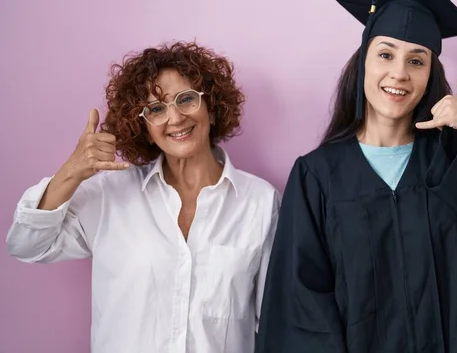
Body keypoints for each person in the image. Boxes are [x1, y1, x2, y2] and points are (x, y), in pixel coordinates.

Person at [255, 0, 457, 353]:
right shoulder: (317, 177)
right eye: (386, 54)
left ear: (430, 74)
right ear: (363, 62)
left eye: (417, 60)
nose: (399, 72)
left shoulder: (453, 162)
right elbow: (299, 311)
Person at [6, 41, 280, 353]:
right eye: (157, 108)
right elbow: (26, 245)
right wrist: (71, 172)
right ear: (144, 125)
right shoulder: (109, 195)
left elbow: (273, 321)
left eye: (186, 99)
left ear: (212, 109)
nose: (175, 119)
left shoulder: (260, 202)